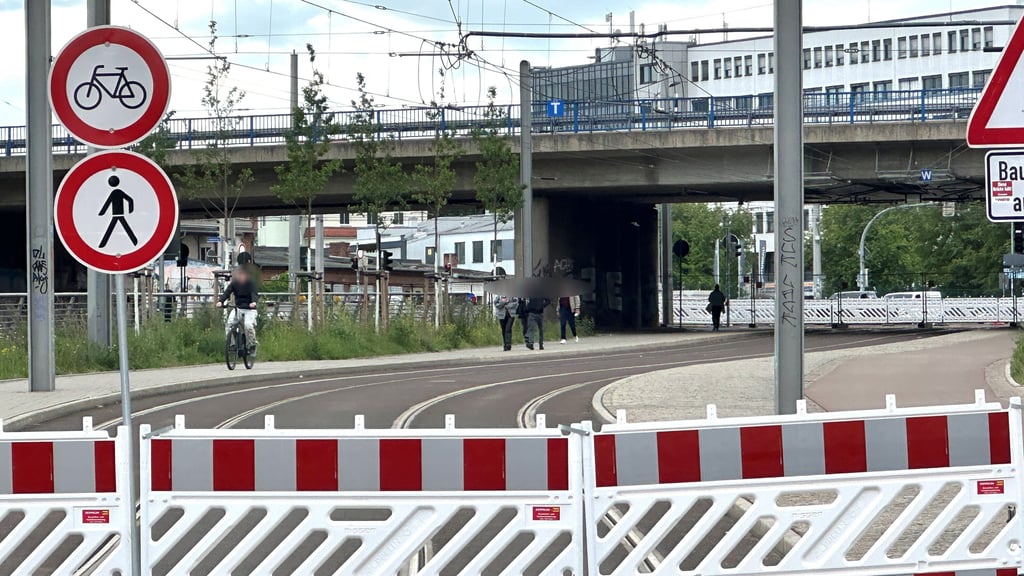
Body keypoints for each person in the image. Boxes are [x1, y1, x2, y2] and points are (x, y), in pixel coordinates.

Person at [216, 267, 259, 352]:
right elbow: (227, 292)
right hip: (238, 308)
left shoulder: (251, 284)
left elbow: (254, 293)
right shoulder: (234, 284)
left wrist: (253, 302)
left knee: (248, 326)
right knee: (229, 324)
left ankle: (251, 345)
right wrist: (221, 301)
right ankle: (232, 344)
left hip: (249, 310)